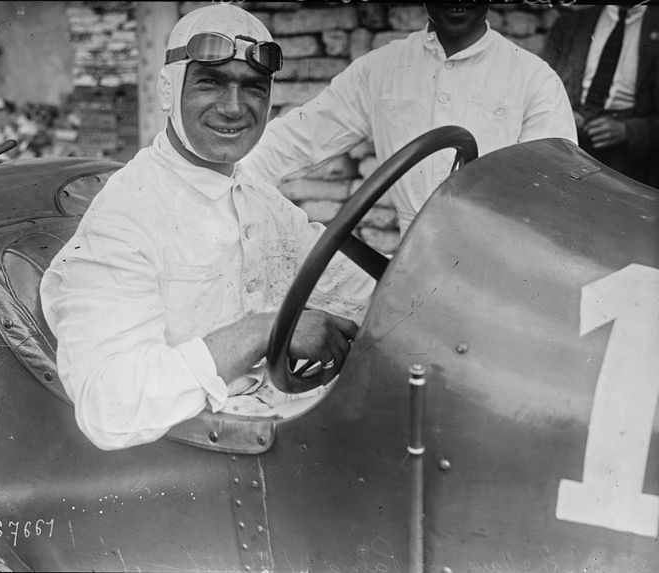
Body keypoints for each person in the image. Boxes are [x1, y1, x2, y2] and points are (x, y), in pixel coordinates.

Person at [40, 4, 374, 450]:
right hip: (196, 464)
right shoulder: (127, 216)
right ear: (168, 90)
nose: (234, 107)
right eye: (211, 82)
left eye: (253, 87)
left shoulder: (262, 201)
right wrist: (263, 331)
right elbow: (109, 407)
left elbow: (362, 295)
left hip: (286, 431)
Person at [241, 4, 578, 237]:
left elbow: (555, 193)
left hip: (500, 267)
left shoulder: (533, 77)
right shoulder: (381, 69)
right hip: (408, 269)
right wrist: (215, 182)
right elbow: (295, 140)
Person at [542, 4, 658, 187]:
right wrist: (564, 112)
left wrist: (629, 131)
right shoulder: (570, 24)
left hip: (630, 160)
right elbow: (543, 87)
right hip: (570, 144)